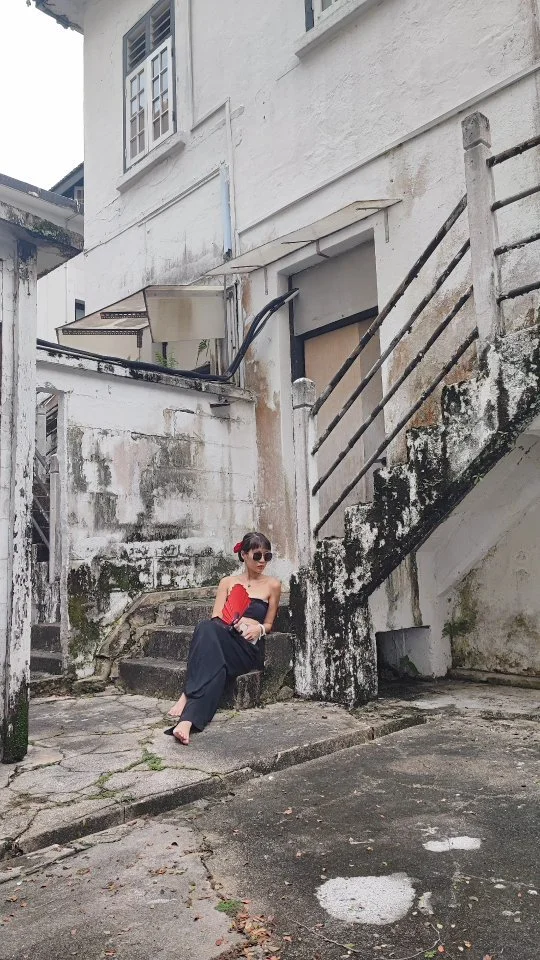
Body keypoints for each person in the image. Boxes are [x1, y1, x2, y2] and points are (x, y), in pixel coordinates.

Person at [164, 532, 281, 745]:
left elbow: (269, 624)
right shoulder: (227, 582)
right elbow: (216, 618)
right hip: (226, 636)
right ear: (244, 555)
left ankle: (187, 694)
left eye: (268, 556)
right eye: (257, 555)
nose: (263, 561)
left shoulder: (273, 585)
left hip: (246, 647)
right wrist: (235, 623)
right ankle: (187, 721)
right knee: (206, 630)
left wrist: (259, 629)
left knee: (211, 648)